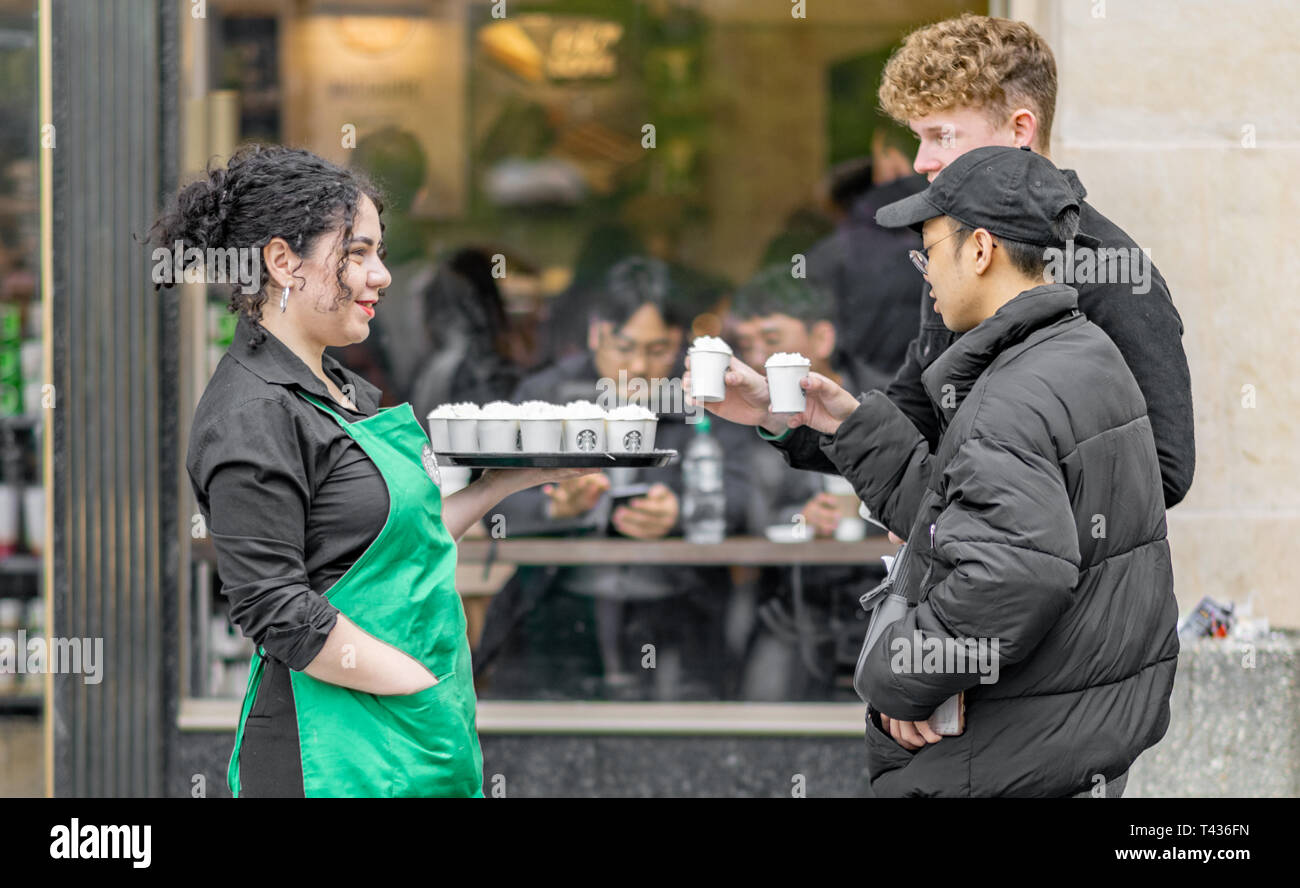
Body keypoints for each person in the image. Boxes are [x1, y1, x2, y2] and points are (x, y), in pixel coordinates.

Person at [697, 146, 1180, 796]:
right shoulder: (1080, 352)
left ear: (979, 249)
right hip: (1056, 746)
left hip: (1005, 758)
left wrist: (903, 675)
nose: (923, 273)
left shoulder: (1015, 389)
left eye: (930, 249)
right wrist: (839, 422)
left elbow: (1013, 574)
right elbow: (971, 519)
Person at [159, 145, 590, 797]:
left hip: (403, 735)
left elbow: (390, 540)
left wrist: (503, 483)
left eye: (378, 252)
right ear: (283, 263)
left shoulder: (340, 386)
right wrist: (418, 686)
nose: (382, 274)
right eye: (356, 253)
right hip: (328, 751)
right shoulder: (251, 411)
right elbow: (275, 607)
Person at [752, 13, 1194, 541]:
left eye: (941, 135)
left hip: (1062, 611)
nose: (920, 161)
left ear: (1020, 131)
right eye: (916, 137)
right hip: (962, 596)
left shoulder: (1115, 271)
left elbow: (1163, 471)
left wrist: (962, 514)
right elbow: (915, 421)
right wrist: (787, 418)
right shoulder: (951, 257)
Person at [476, 256, 754, 701]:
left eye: (658, 349)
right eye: (623, 348)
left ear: (680, 340)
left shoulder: (705, 397)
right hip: (559, 605)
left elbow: (746, 494)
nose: (639, 366)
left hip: (677, 609)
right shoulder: (547, 394)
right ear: (595, 333)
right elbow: (493, 503)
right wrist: (554, 506)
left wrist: (681, 512)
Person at [728, 266, 886, 699]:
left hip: (883, 610)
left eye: (772, 340)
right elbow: (733, 506)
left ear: (822, 339)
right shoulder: (739, 410)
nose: (757, 357)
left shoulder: (885, 401)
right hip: (787, 611)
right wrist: (797, 519)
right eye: (747, 345)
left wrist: (866, 509)